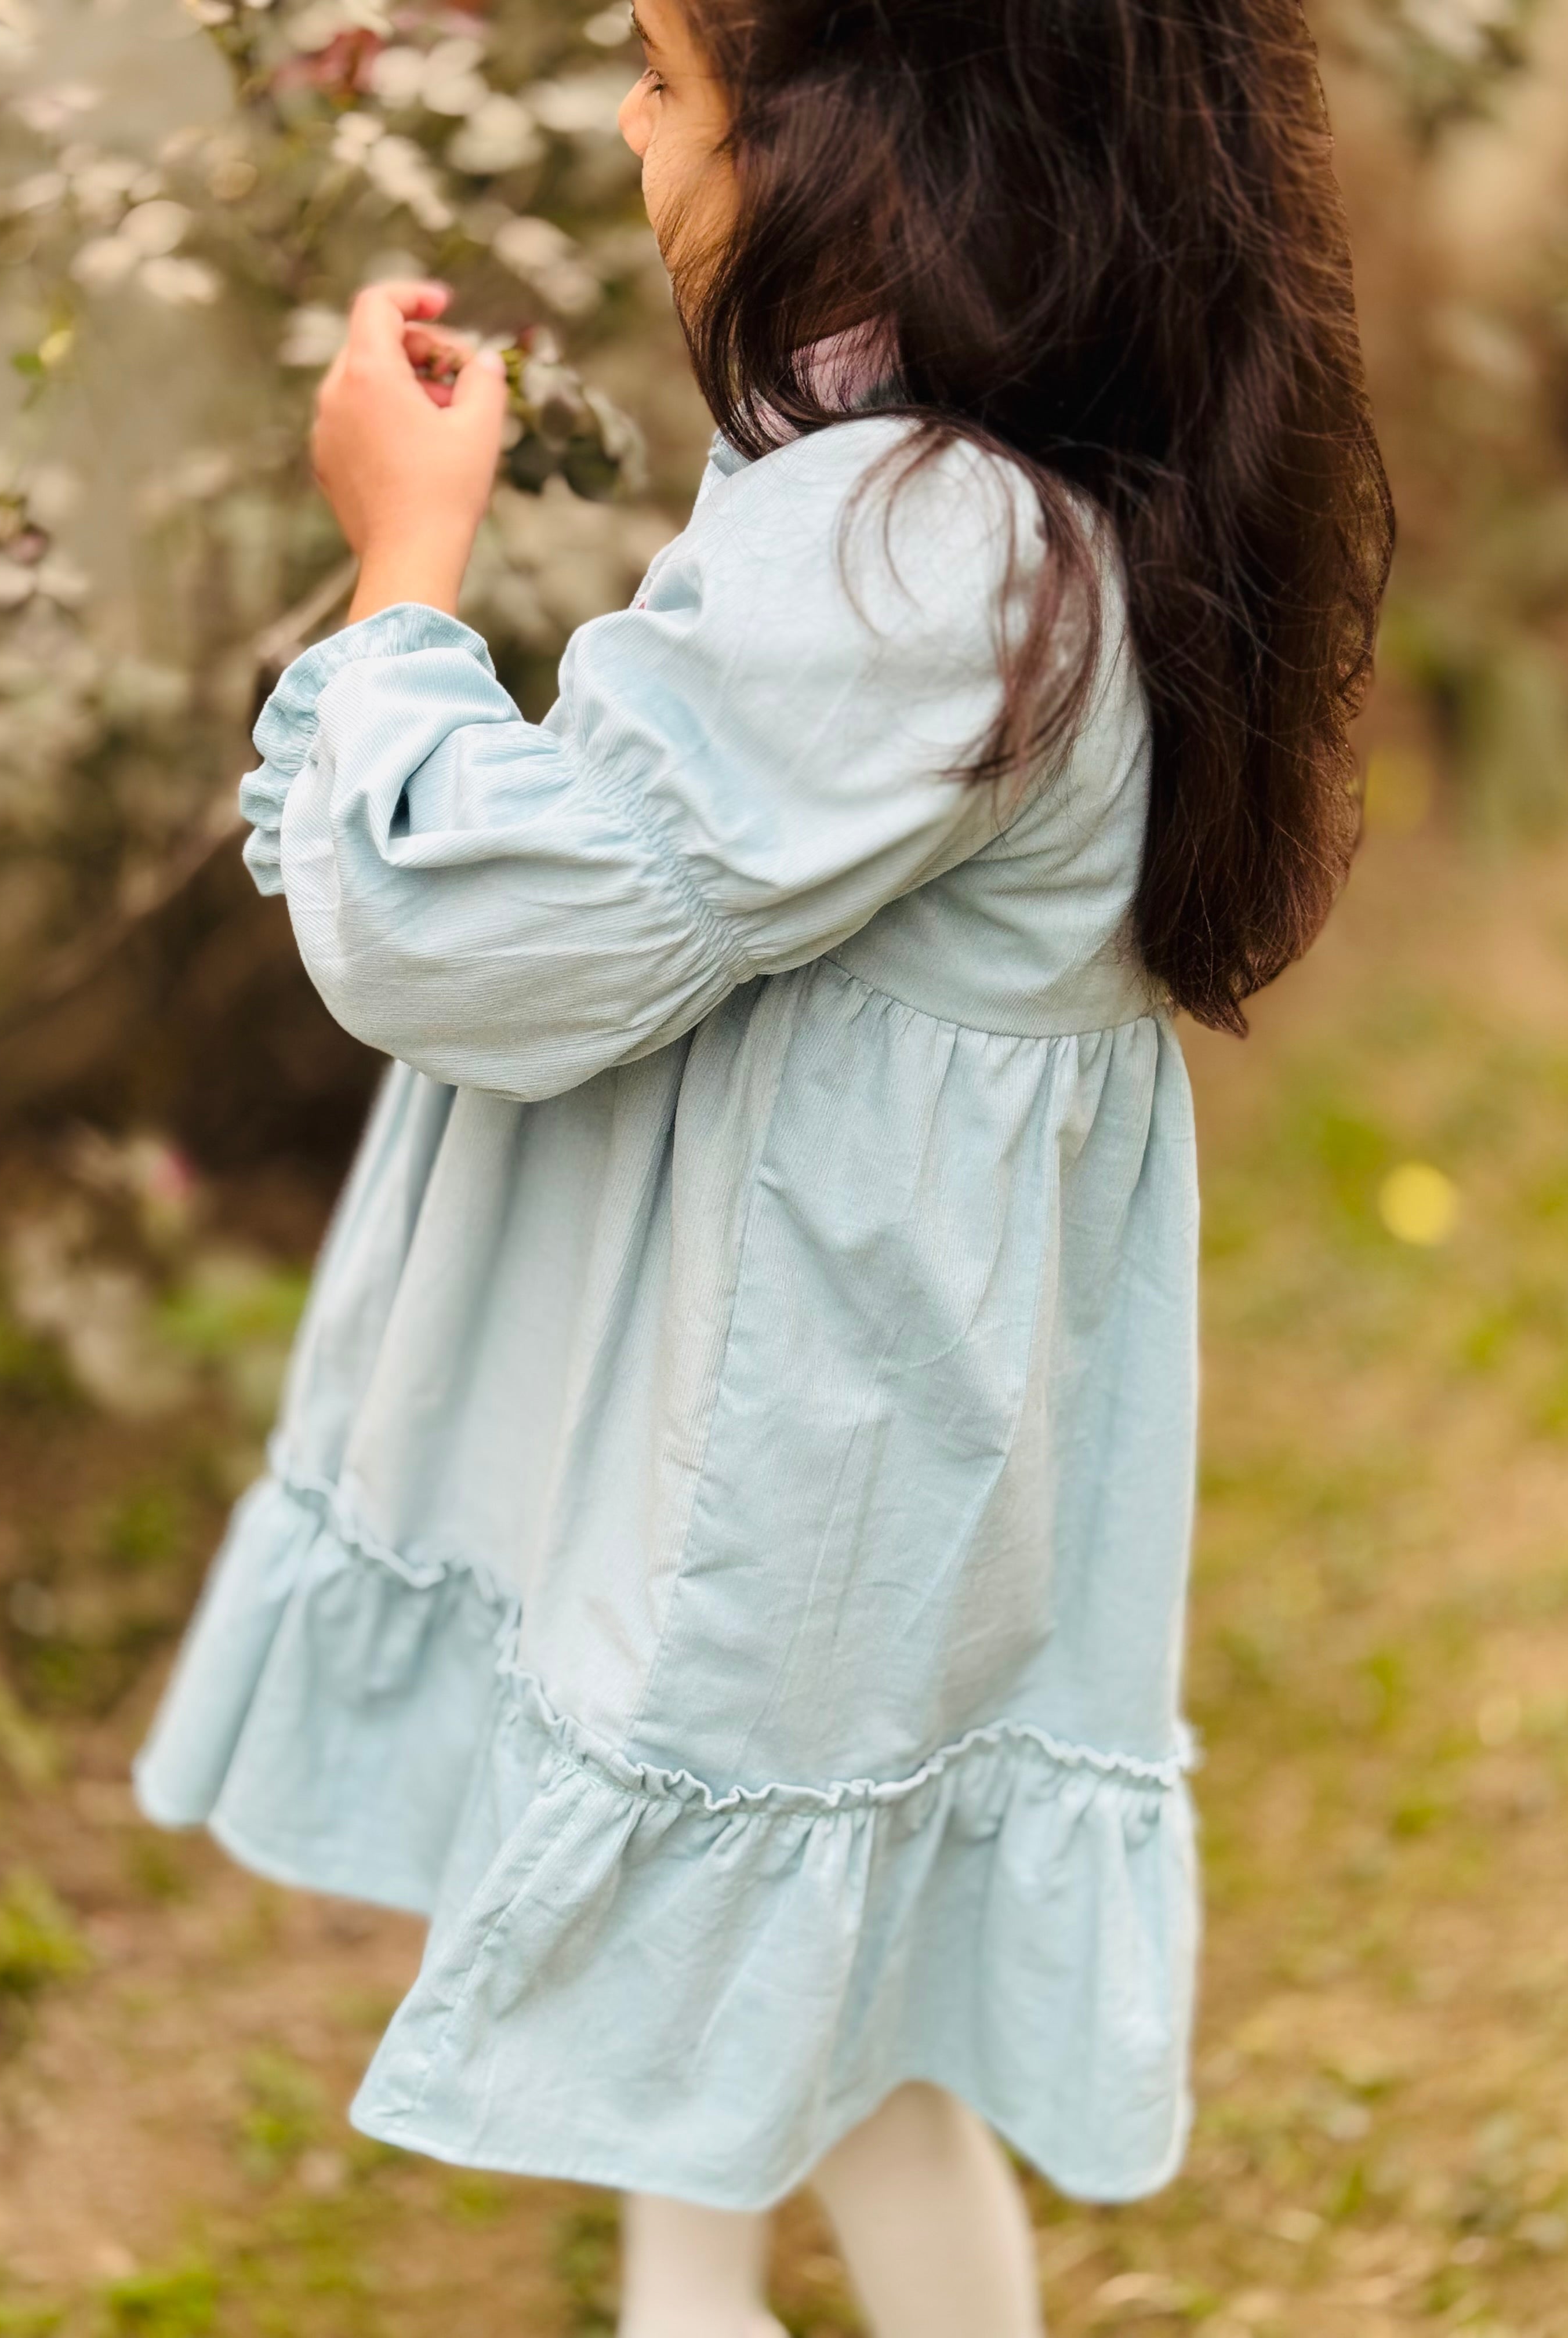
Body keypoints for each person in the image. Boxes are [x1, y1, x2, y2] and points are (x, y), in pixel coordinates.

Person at [133, 0, 1392, 2328]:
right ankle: (678, 2292)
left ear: (882, 147)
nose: (629, 120)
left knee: (822, 2020)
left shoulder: (919, 550)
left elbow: (482, 927)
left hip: (802, 1427)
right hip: (830, 1381)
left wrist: (400, 574)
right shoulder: (1001, 472)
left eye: (666, 74)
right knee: (759, 1987)